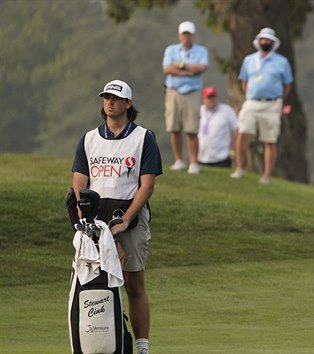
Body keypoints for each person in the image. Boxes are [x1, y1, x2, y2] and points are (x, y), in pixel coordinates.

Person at [72, 80, 162, 354]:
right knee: (94, 283)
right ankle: (100, 344)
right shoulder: (88, 139)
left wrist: (126, 219)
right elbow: (79, 180)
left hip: (130, 220)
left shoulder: (143, 137)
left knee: (133, 283)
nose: (110, 102)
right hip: (96, 226)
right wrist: (83, 216)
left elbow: (147, 185)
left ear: (128, 104)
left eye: (116, 98)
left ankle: (142, 346)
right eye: (106, 97)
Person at [231, 27, 293, 184]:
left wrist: (278, 98)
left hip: (272, 104)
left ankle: (266, 176)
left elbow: (287, 85)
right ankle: (240, 168)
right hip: (252, 102)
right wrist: (250, 95)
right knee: (242, 133)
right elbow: (244, 80)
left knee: (269, 140)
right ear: (258, 42)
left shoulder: (282, 62)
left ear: (273, 43)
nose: (265, 42)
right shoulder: (249, 60)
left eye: (268, 40)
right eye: (262, 39)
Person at [162, 21, 209, 174]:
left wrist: (179, 65)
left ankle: (194, 162)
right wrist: (188, 69)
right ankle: (179, 160)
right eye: (183, 34)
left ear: (193, 35)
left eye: (188, 34)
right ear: (179, 35)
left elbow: (202, 67)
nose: (186, 37)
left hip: (193, 92)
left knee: (191, 129)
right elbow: (167, 68)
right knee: (174, 128)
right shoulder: (171, 49)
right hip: (173, 91)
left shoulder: (201, 51)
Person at [197, 86, 238, 168]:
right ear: (204, 99)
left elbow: (235, 131)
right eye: (209, 97)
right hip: (201, 157)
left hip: (222, 158)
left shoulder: (227, 110)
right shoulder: (199, 111)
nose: (212, 100)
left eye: (213, 97)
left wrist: (233, 151)